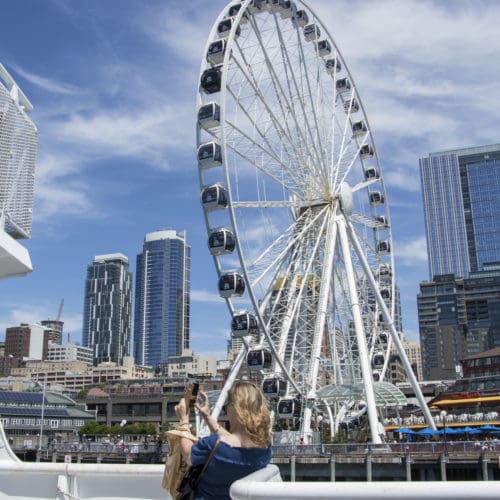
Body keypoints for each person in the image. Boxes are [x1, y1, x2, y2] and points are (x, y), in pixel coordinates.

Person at [175, 381, 272, 499]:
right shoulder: (265, 449)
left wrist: (183, 421)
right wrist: (207, 416)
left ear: (235, 408)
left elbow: (188, 455)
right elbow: (234, 442)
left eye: (228, 405)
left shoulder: (214, 444)